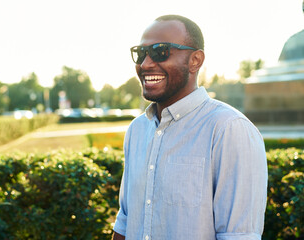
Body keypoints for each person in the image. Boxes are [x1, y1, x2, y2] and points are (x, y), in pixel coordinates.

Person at [112, 15, 268, 240]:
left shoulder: (229, 130)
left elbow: (239, 236)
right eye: (141, 53)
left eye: (160, 51)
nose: (145, 64)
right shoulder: (137, 130)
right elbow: (125, 222)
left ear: (195, 60)